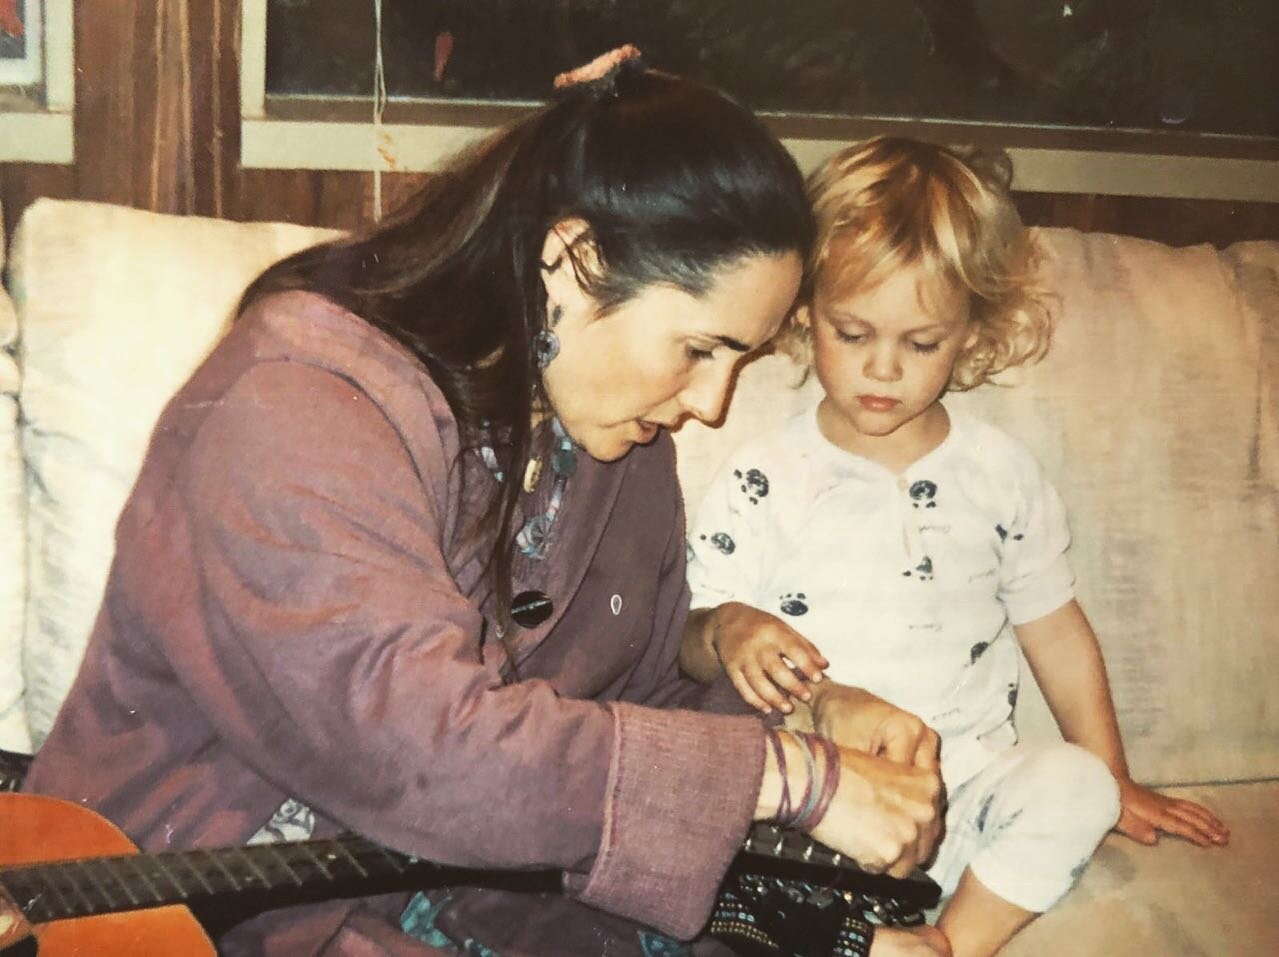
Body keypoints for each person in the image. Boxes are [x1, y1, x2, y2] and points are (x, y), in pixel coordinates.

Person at [23, 54, 946, 956]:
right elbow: (421, 748)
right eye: (700, 349)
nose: (711, 404)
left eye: (736, 361)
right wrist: (793, 778)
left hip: (452, 887)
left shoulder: (610, 430)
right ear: (573, 261)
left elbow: (628, 696)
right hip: (192, 900)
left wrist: (807, 718)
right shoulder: (298, 397)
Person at [680, 136, 1231, 957]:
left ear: (971, 331)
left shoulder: (999, 473)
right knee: (718, 833)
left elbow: (1053, 626)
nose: (882, 369)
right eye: (853, 332)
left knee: (1073, 785)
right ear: (804, 311)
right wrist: (729, 624)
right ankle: (852, 928)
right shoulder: (764, 475)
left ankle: (948, 942)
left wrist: (1110, 772)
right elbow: (689, 643)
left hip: (972, 788)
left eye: (920, 342)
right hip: (831, 797)